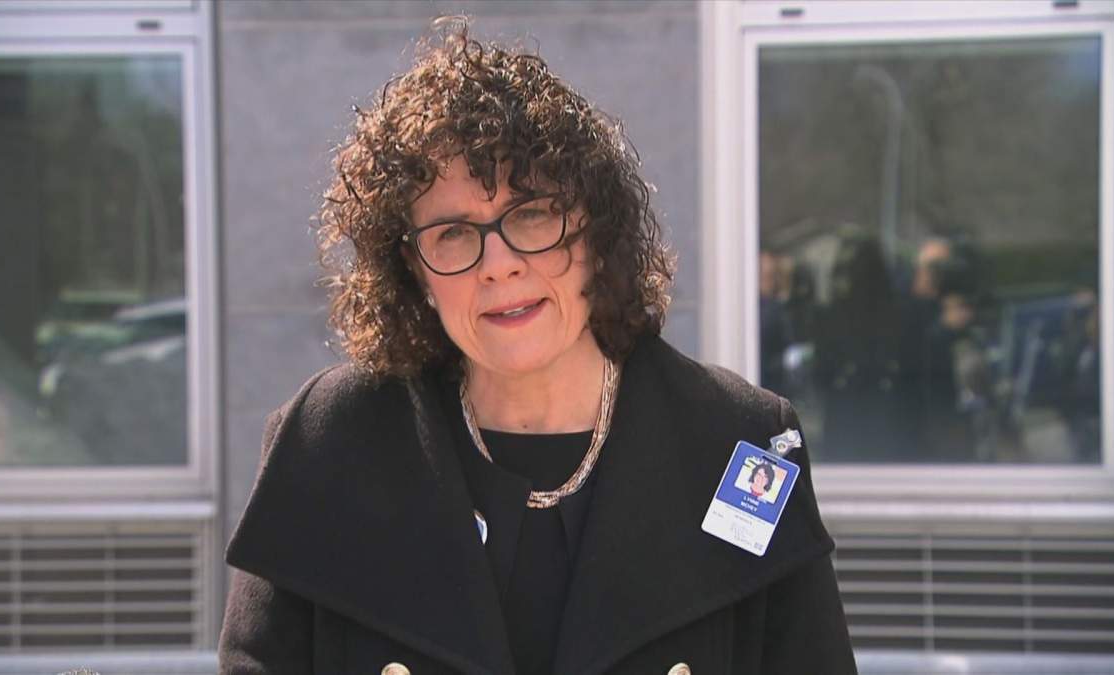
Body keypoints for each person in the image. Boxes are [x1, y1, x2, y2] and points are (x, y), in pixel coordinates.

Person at [219, 18, 855, 675]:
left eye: (531, 215)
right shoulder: (330, 441)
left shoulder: (741, 444)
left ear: (595, 232)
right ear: (414, 271)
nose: (497, 264)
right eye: (453, 233)